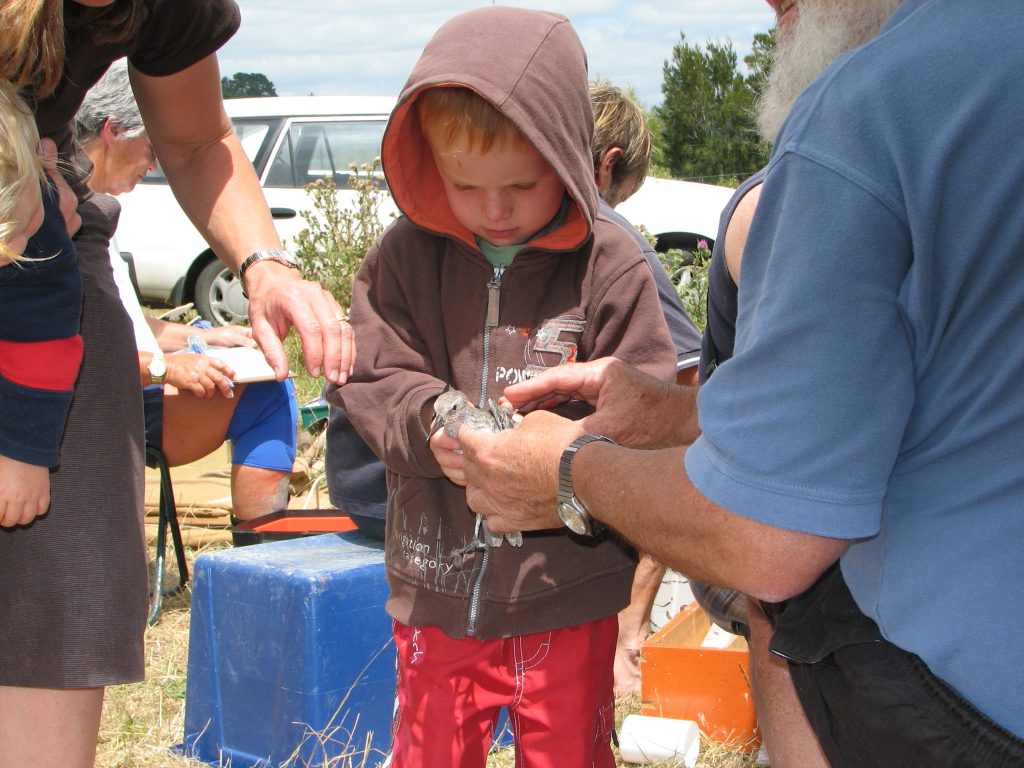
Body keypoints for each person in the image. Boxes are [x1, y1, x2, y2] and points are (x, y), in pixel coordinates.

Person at [459, 0, 1024, 765]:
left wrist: (565, 472)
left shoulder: (874, 101)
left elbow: (771, 537)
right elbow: (933, 387)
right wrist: (671, 412)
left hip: (970, 710)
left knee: (789, 603)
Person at [0, 3, 351, 767]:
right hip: (19, 202)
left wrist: (264, 266)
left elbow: (194, 136)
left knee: (63, 583)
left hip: (39, 255)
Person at [331, 8, 676, 766]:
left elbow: (647, 403)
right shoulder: (404, 257)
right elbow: (370, 368)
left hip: (569, 590)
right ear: (430, 165)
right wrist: (434, 418)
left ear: (570, 155)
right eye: (465, 185)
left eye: (520, 184)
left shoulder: (610, 263)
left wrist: (572, 463)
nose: (493, 209)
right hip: (437, 585)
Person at [76, 60, 297, 525]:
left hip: (127, 384)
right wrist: (168, 367)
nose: (154, 163)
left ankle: (260, 545)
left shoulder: (93, 212)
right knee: (270, 392)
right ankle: (259, 546)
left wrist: (201, 339)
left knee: (245, 365)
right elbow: (83, 352)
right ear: (113, 130)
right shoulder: (72, 222)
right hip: (105, 404)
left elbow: (119, 323)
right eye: (151, 146)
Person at [588, 79, 702, 696]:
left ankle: (627, 633)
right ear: (610, 165)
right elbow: (693, 380)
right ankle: (629, 634)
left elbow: (685, 386)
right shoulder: (612, 233)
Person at [0, 79, 76, 529]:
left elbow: (44, 332)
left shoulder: (36, 241)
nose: (14, 246)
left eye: (21, 228)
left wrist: (22, 450)